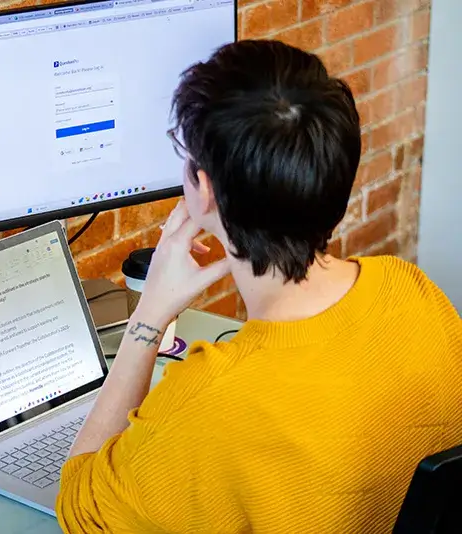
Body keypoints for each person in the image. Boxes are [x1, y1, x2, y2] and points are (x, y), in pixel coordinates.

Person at [56, 40, 462, 533]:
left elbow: (80, 511)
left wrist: (150, 315)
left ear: (204, 190)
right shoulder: (414, 293)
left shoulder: (210, 401)